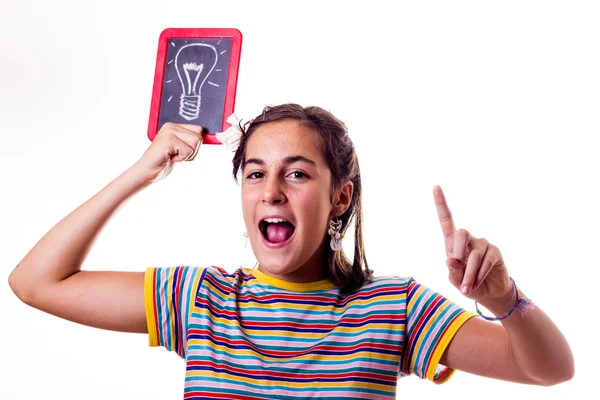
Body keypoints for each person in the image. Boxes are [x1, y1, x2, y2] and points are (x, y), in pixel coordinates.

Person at [8, 103, 573, 398]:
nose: (272, 191)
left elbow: (549, 369)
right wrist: (141, 171)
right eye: (255, 174)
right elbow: (36, 282)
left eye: (297, 173)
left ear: (340, 198)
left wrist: (505, 298)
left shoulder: (396, 308)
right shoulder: (199, 299)